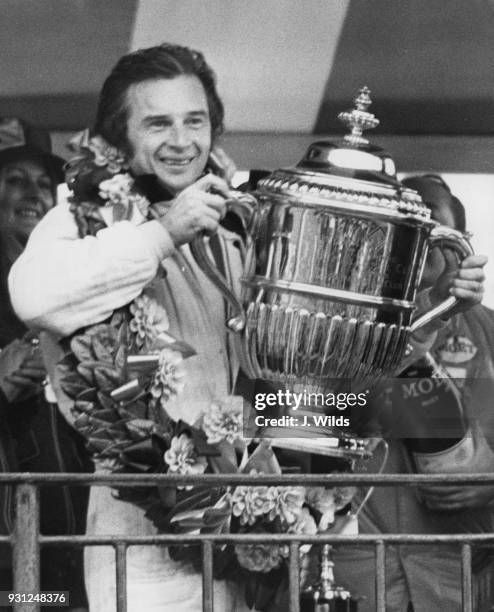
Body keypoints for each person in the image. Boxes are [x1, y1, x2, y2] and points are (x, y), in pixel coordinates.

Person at [8, 45, 249, 612]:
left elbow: (273, 384)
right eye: (158, 123)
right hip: (139, 535)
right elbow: (33, 295)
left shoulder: (235, 227)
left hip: (248, 530)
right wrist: (163, 234)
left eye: (196, 121)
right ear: (119, 139)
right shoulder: (80, 213)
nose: (182, 140)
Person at [332, 174, 493, 612]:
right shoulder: (341, 331)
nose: (418, 240)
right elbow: (297, 420)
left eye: (432, 227)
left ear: (461, 241)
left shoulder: (491, 334)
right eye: (404, 227)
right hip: (360, 573)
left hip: (459, 579)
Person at [0, 117, 91, 611]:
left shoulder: (76, 282)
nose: (32, 194)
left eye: (42, 183)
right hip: (9, 552)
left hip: (75, 531)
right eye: (14, 180)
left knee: (66, 603)